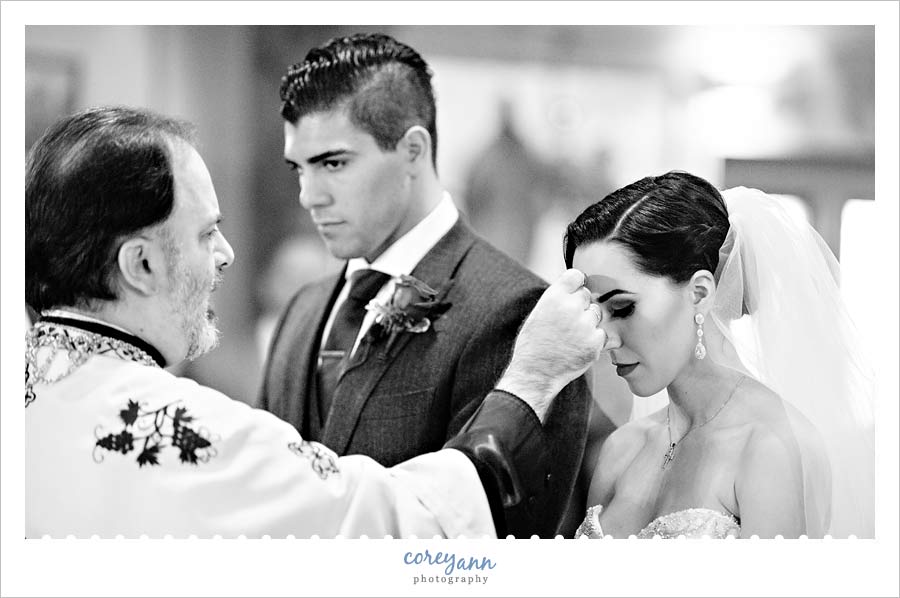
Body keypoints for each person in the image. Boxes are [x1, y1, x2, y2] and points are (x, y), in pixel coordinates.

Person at [24, 106, 608, 538]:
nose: (226, 253)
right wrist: (529, 379)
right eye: (205, 234)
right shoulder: (186, 433)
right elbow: (397, 528)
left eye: (334, 163)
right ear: (141, 263)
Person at [260, 32, 611, 537]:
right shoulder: (303, 309)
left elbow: (508, 534)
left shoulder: (518, 313)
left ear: (412, 150)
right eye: (299, 167)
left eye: (333, 163)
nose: (308, 196)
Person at [568, 171, 874, 539]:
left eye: (622, 308)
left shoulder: (770, 447)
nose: (604, 339)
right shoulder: (621, 449)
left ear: (699, 292)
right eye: (594, 313)